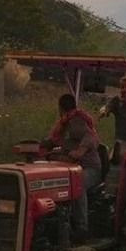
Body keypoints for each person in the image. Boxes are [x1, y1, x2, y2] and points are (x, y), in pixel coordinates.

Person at [45, 94, 101, 242]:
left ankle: (82, 228)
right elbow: (52, 140)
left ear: (61, 108)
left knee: (77, 183)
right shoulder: (63, 125)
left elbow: (91, 136)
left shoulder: (77, 121)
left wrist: (81, 150)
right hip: (70, 167)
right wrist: (42, 147)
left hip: (89, 168)